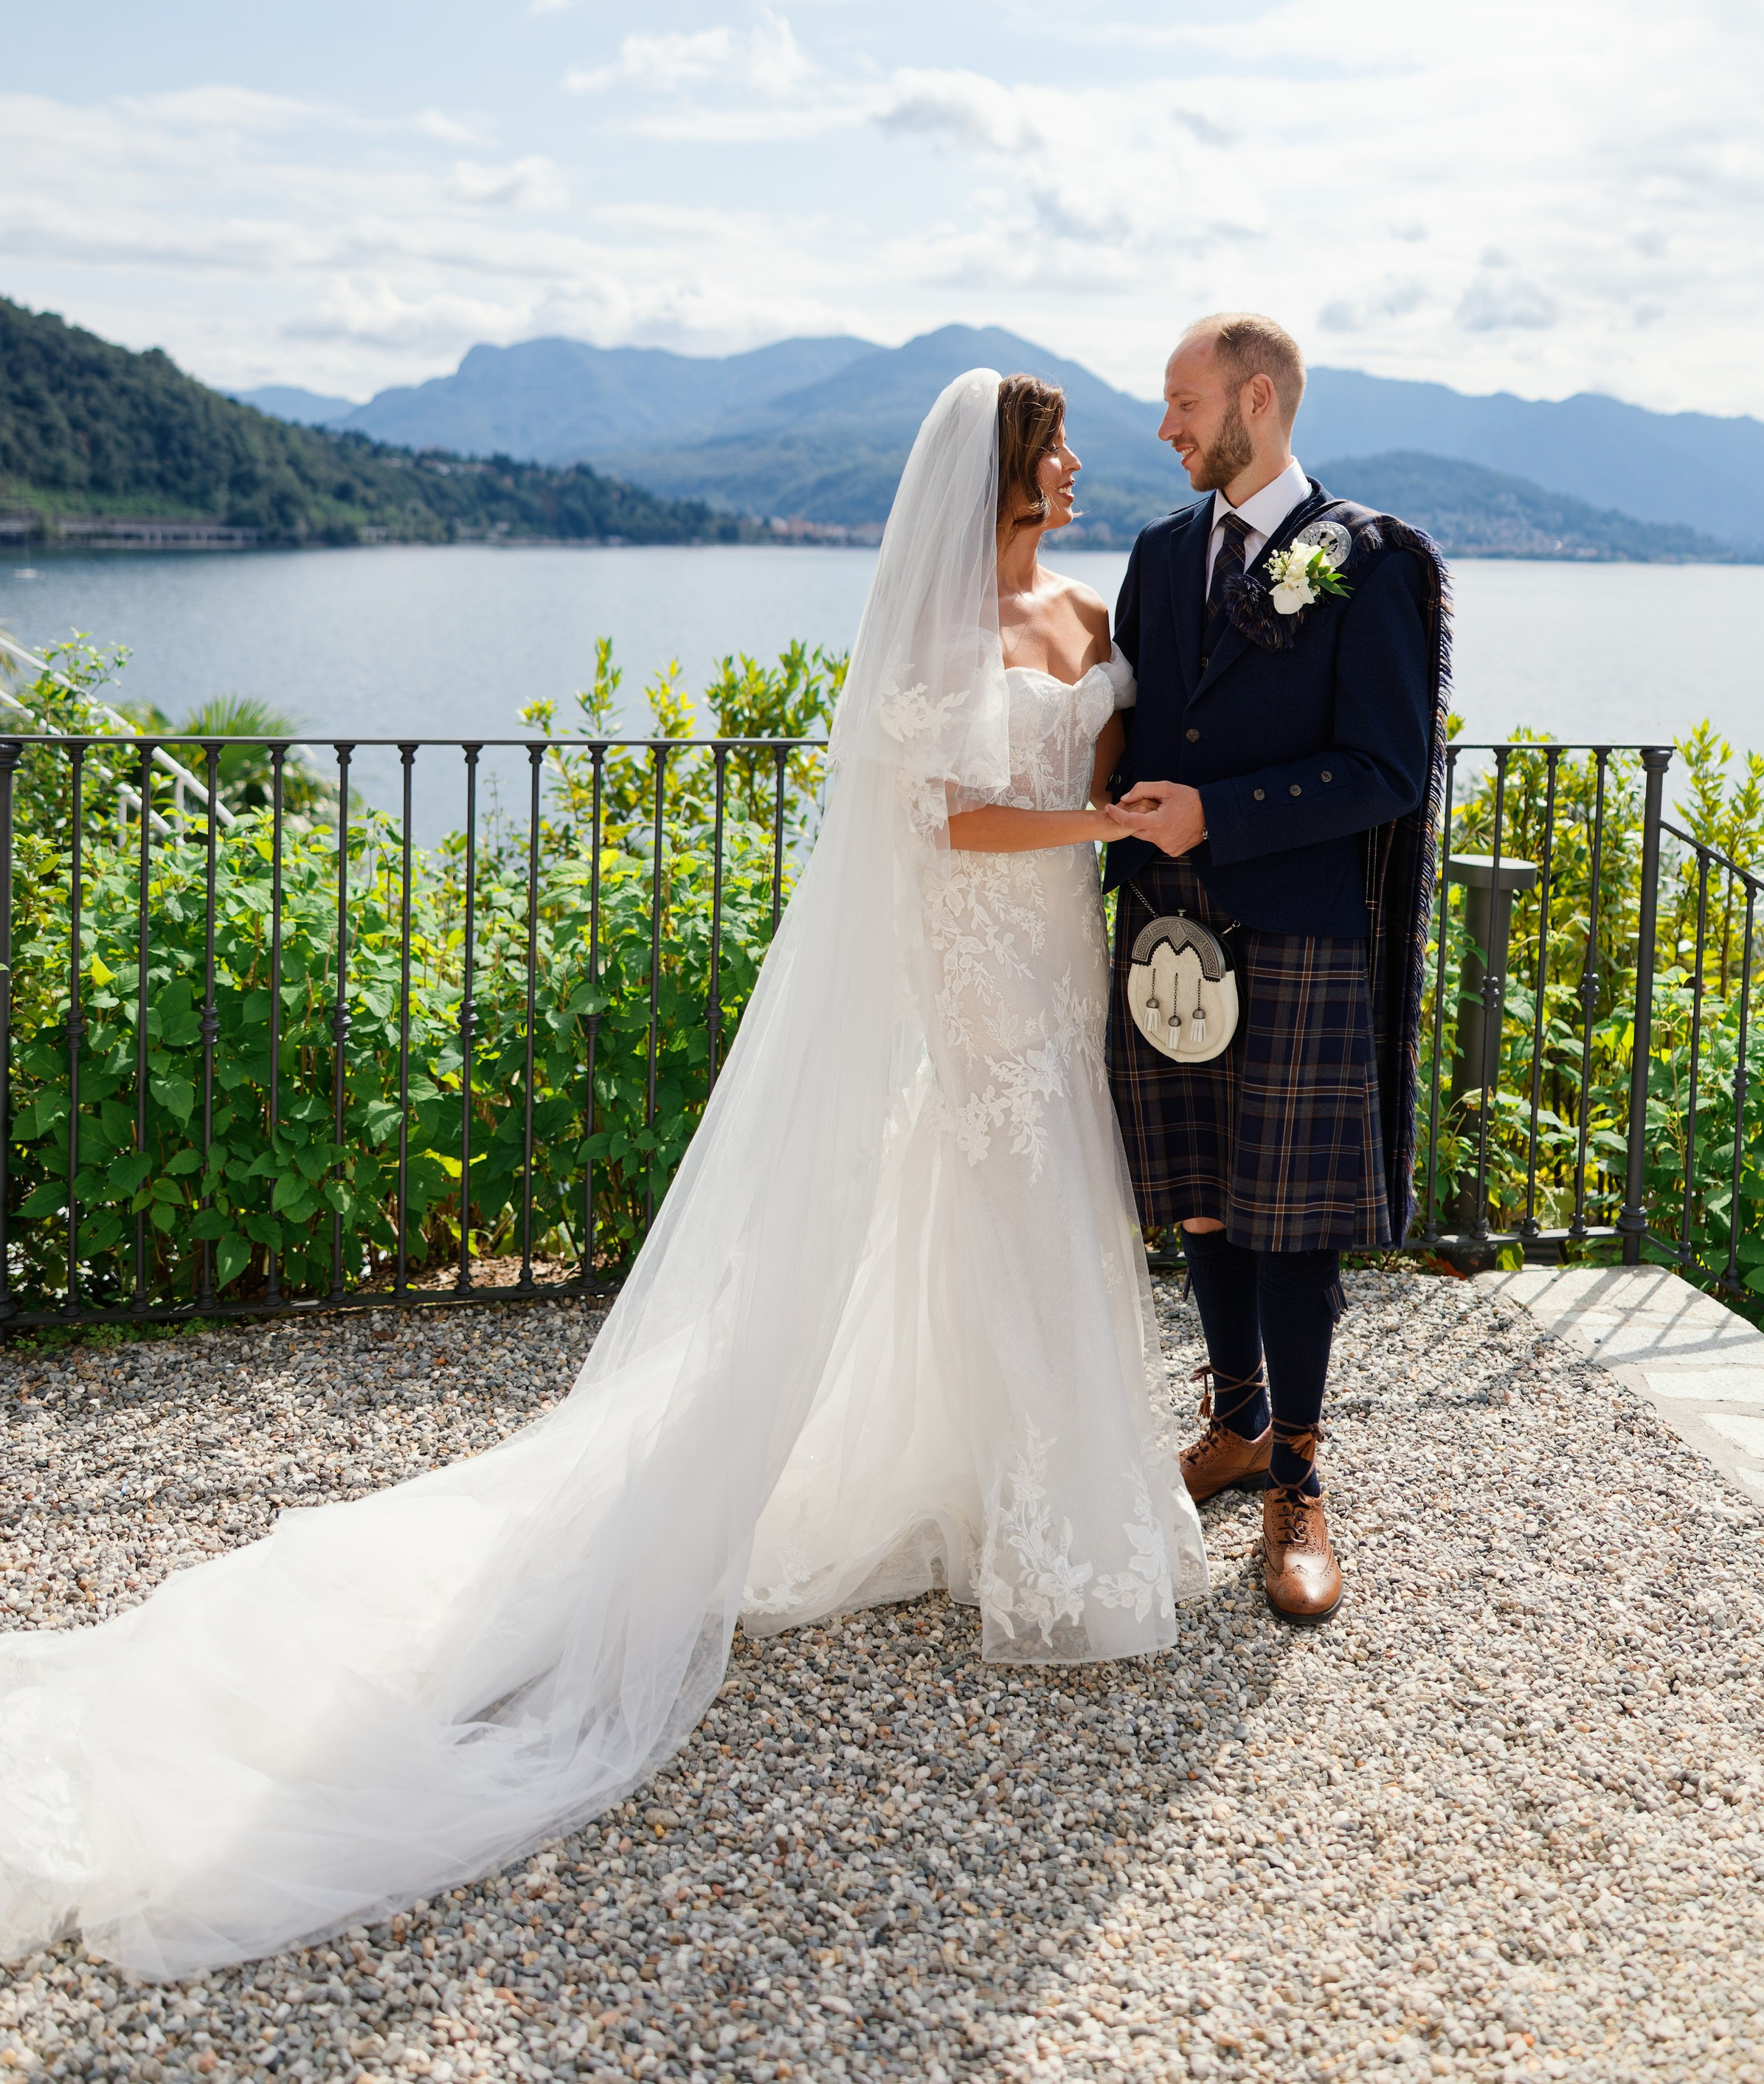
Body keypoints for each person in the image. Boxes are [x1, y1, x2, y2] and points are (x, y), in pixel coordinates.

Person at [0, 368, 1206, 1980]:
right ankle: (1047, 1530)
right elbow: (946, 822)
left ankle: (1017, 1492)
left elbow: (1105, 753)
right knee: (1007, 1196)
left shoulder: (1081, 605)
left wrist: (1127, 813)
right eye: (1051, 445)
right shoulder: (930, 633)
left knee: (1033, 1209)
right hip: (984, 970)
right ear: (993, 472)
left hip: (1063, 971)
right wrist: (1098, 831)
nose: (1073, 463)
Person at [1105, 313, 1448, 1623]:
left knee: (1291, 1217)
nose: (1166, 426)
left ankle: (1301, 1473)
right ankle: (1236, 1420)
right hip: (1164, 930)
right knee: (1200, 1193)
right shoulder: (1154, 555)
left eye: (1183, 402)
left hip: (1300, 932)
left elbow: (1386, 771)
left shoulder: (1371, 562)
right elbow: (1137, 727)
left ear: (1258, 399)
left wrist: (1223, 816)